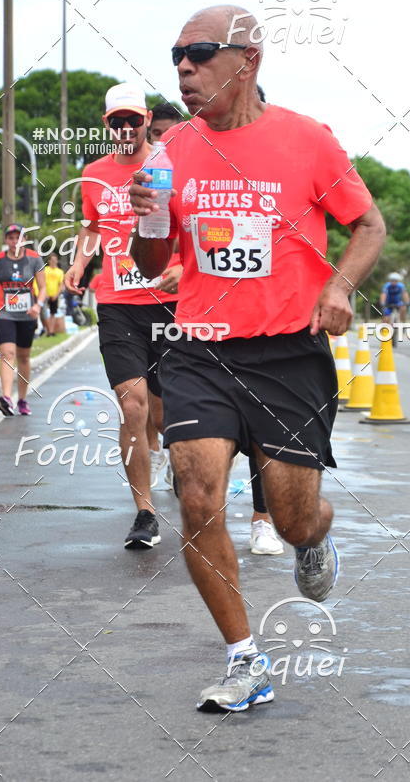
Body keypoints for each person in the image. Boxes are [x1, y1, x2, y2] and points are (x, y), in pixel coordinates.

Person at [129, 4, 385, 711]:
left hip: (288, 355)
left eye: (199, 53)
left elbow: (368, 224)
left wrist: (339, 286)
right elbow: (149, 262)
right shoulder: (170, 152)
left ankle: (313, 539)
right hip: (200, 349)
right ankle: (245, 658)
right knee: (197, 494)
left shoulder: (307, 140)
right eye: (176, 56)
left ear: (248, 60)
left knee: (294, 517)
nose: (184, 68)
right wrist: (146, 218)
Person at [149, 92, 280, 553]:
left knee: (264, 440)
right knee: (177, 429)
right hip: (195, 329)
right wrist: (175, 264)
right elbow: (164, 242)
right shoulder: (179, 164)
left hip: (267, 332)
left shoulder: (277, 161)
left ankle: (264, 520)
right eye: (156, 135)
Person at [65, 82, 178, 549]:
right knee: (132, 405)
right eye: (118, 121)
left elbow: (189, 223)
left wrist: (182, 268)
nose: (126, 127)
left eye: (134, 119)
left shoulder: (170, 163)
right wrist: (79, 262)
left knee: (164, 411)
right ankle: (145, 513)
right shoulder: (94, 173)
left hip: (168, 303)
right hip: (117, 304)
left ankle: (176, 458)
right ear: (107, 124)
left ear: (147, 119)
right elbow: (92, 226)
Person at [0, 224, 46, 416]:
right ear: (6, 240)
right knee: (7, 353)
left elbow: (43, 288)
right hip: (4, 314)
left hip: (27, 315)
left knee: (23, 357)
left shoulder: (34, 258)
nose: (15, 241)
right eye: (11, 238)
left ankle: (22, 399)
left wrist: (38, 306)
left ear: (25, 240)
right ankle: (7, 398)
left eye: (19, 238)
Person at [42, 253, 64, 335]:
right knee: (43, 313)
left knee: (53, 313)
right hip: (45, 294)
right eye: (52, 260)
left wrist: (56, 295)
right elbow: (42, 282)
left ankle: (51, 331)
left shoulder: (60, 272)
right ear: (49, 261)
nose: (54, 262)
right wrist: (45, 293)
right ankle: (46, 329)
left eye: (55, 260)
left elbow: (61, 285)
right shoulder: (45, 270)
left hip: (54, 295)